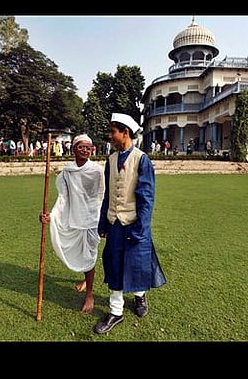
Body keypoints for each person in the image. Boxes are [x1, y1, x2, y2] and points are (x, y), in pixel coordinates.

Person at [94, 113, 167, 335]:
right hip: (115, 222)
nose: (110, 136)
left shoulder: (142, 159)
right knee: (114, 265)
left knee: (137, 264)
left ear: (125, 132)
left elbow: (147, 198)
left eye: (113, 131)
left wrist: (142, 228)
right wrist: (103, 221)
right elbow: (107, 194)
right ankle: (116, 312)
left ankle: (139, 296)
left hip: (135, 223)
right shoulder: (111, 160)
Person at [39, 134, 105, 313]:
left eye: (88, 147)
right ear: (73, 149)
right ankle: (87, 280)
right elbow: (63, 198)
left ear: (92, 150)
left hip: (92, 219)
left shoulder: (97, 170)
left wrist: (101, 219)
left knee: (89, 256)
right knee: (83, 255)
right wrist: (50, 216)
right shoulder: (67, 173)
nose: (84, 150)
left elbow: (101, 195)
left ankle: (89, 294)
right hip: (73, 218)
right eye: (80, 147)